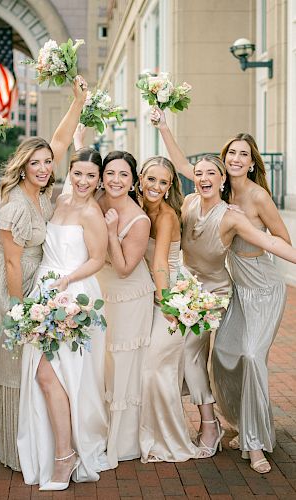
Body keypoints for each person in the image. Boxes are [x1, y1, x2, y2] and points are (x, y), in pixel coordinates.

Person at [151, 107, 291, 473]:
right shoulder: (194, 196)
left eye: (243, 154)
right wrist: (164, 126)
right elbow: (183, 164)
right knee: (224, 359)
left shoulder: (246, 204)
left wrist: (254, 246)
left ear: (249, 161)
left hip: (259, 284)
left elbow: (278, 242)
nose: (236, 159)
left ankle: (255, 442)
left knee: (250, 356)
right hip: (220, 287)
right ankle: (235, 422)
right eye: (232, 153)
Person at [0, 76, 88, 471]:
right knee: (9, 371)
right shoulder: (13, 204)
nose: (43, 167)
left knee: (27, 370)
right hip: (8, 288)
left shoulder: (41, 193)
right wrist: (17, 309)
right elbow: (10, 261)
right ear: (22, 167)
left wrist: (77, 102)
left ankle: (30, 444)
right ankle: (11, 451)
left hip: (32, 283)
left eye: (46, 162)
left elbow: (58, 141)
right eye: (35, 163)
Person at [17, 148, 109, 490]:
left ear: (99, 180)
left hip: (75, 294)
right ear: (69, 172)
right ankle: (58, 450)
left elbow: (98, 259)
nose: (83, 181)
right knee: (45, 375)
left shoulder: (91, 211)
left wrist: (68, 282)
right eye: (78, 173)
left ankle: (65, 455)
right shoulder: (57, 199)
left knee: (54, 374)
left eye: (90, 175)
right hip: (45, 287)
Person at [72, 126, 154, 466]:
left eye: (124, 175)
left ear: (133, 181)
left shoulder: (138, 219)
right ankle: (95, 430)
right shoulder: (96, 199)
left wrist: (109, 232)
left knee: (121, 363)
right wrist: (80, 144)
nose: (116, 179)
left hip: (128, 294)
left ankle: (120, 441)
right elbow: (79, 176)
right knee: (98, 362)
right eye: (111, 173)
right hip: (99, 290)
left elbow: (122, 267)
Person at [137, 156, 206, 463]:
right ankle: (141, 434)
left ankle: (169, 439)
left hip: (170, 299)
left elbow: (160, 262)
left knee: (156, 368)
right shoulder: (137, 208)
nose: (156, 187)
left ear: (170, 187)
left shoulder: (166, 216)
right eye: (151, 179)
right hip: (146, 296)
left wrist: (166, 303)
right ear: (140, 178)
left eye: (163, 182)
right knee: (146, 368)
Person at [179, 155, 232, 457]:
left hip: (215, 293)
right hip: (187, 289)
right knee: (181, 353)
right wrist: (162, 128)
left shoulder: (231, 215)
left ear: (223, 179)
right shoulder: (188, 202)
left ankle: (210, 425)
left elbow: (267, 241)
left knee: (190, 354)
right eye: (198, 173)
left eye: (211, 172)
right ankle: (178, 422)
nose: (203, 177)